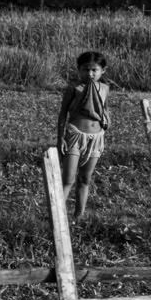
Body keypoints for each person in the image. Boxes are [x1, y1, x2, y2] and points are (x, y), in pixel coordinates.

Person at [56, 50, 110, 220]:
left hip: (96, 138)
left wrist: (107, 122)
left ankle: (78, 217)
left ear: (103, 71)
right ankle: (58, 217)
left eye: (94, 70)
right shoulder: (74, 88)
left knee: (85, 179)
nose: (90, 73)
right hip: (75, 136)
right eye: (86, 70)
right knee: (68, 179)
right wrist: (60, 138)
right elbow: (63, 113)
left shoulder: (105, 88)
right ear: (79, 70)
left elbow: (104, 109)